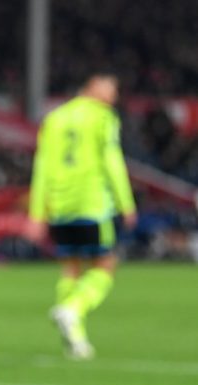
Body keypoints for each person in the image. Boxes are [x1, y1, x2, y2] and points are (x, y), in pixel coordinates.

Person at [29, 69, 136, 359]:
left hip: (60, 205)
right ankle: (72, 309)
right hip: (92, 203)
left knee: (71, 269)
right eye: (110, 89)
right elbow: (112, 161)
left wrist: (37, 211)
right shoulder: (102, 117)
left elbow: (42, 166)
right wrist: (126, 203)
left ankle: (75, 339)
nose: (113, 96)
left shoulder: (54, 118)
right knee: (106, 265)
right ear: (93, 86)